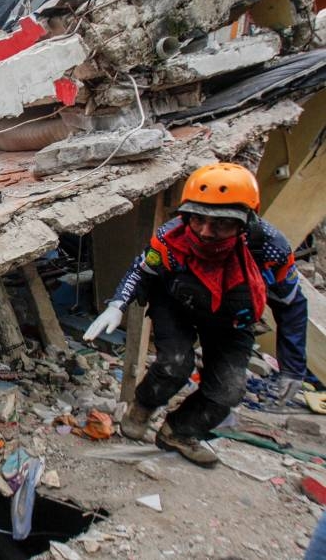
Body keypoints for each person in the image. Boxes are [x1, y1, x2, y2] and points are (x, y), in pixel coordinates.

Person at [84, 163, 308, 467]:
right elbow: (143, 269)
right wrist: (117, 303)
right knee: (174, 365)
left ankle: (179, 431)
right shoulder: (171, 237)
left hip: (232, 318)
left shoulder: (270, 248)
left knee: (228, 390)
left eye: (219, 224)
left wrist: (293, 366)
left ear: (244, 222)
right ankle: (142, 407)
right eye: (198, 220)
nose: (204, 231)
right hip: (176, 304)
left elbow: (291, 304)